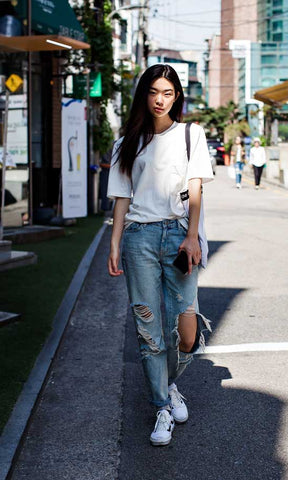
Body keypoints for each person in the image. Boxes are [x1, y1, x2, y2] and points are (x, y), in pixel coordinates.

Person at [107, 64, 213, 447]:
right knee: (148, 330)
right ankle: (161, 408)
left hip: (178, 236)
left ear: (177, 96)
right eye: (153, 92)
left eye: (167, 93)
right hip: (139, 239)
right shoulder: (127, 142)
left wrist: (191, 237)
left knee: (187, 331)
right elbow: (121, 197)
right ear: (144, 95)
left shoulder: (190, 134)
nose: (159, 99)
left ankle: (168, 385)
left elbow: (196, 189)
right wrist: (116, 243)